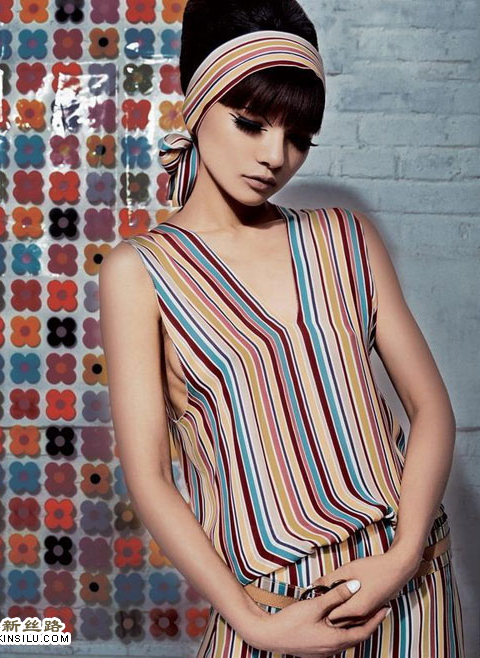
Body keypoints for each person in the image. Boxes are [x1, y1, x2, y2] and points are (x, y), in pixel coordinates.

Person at [99, 1, 465, 656]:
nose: (275, 156)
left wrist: (403, 557)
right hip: (277, 612)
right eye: (250, 123)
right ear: (198, 106)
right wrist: (258, 626)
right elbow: (149, 475)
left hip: (411, 595)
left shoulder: (345, 237)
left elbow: (431, 407)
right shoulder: (141, 272)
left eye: (298, 137)